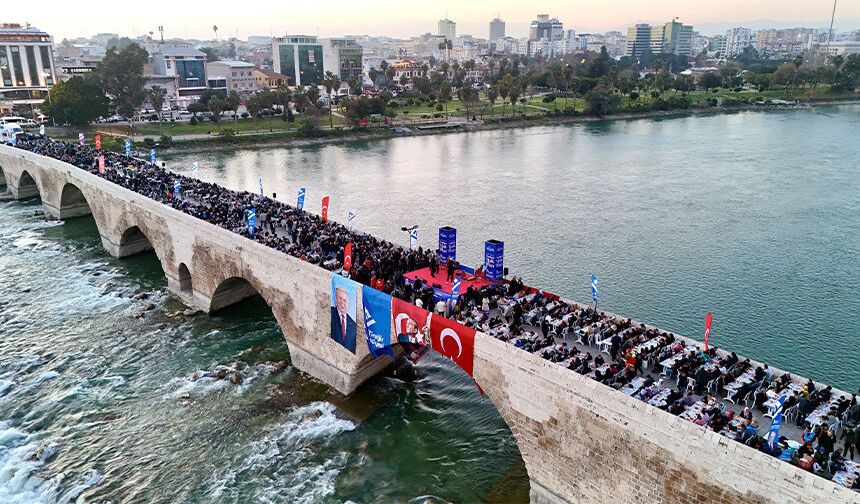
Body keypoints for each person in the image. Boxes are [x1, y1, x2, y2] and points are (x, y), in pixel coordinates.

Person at [330, 286, 357, 352]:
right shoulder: (330, 311)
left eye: (344, 300)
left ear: (348, 303)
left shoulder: (353, 324)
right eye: (340, 298)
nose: (342, 302)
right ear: (336, 299)